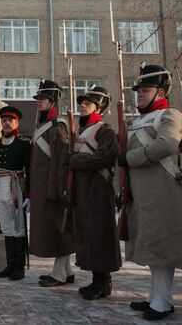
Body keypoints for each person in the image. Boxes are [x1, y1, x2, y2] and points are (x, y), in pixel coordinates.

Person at [118, 63, 182, 320]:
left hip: (161, 190)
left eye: (146, 90)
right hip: (142, 193)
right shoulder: (139, 120)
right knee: (152, 247)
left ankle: (163, 302)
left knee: (162, 247)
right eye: (138, 90)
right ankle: (157, 296)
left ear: (160, 93)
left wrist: (129, 158)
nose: (139, 94)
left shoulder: (170, 115)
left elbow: (165, 145)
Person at [67, 85, 121, 300]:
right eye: (82, 102)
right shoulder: (81, 131)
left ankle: (103, 281)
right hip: (83, 188)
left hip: (98, 188)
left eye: (87, 103)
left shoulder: (105, 131)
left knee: (100, 233)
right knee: (88, 233)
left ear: (99, 108)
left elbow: (104, 158)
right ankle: (96, 279)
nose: (82, 105)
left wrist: (74, 160)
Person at [29, 80, 76, 288]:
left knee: (58, 230)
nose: (39, 102)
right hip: (42, 185)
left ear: (53, 101)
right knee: (51, 229)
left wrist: (58, 189)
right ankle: (66, 270)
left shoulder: (58, 126)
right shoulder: (41, 124)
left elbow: (60, 159)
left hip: (52, 186)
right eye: (38, 98)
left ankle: (59, 273)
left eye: (43, 99)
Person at [0, 106, 31, 281]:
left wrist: (29, 195)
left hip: (15, 188)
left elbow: (29, 170)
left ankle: (19, 268)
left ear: (16, 123)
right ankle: (9, 265)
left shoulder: (23, 144)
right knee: (5, 227)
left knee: (17, 227)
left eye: (9, 121)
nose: (6, 124)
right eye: (4, 121)